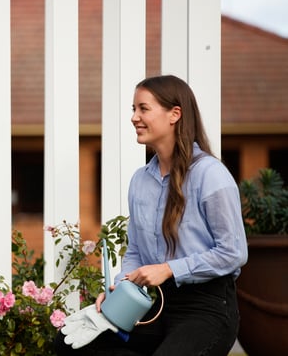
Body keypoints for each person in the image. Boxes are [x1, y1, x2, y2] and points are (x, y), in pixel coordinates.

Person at [55, 75, 248, 355]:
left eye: (143, 108)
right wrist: (117, 291)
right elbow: (135, 251)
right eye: (133, 109)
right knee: (68, 344)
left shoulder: (211, 175)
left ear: (174, 114)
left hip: (207, 309)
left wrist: (169, 269)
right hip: (152, 305)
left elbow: (233, 253)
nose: (134, 117)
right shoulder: (140, 181)